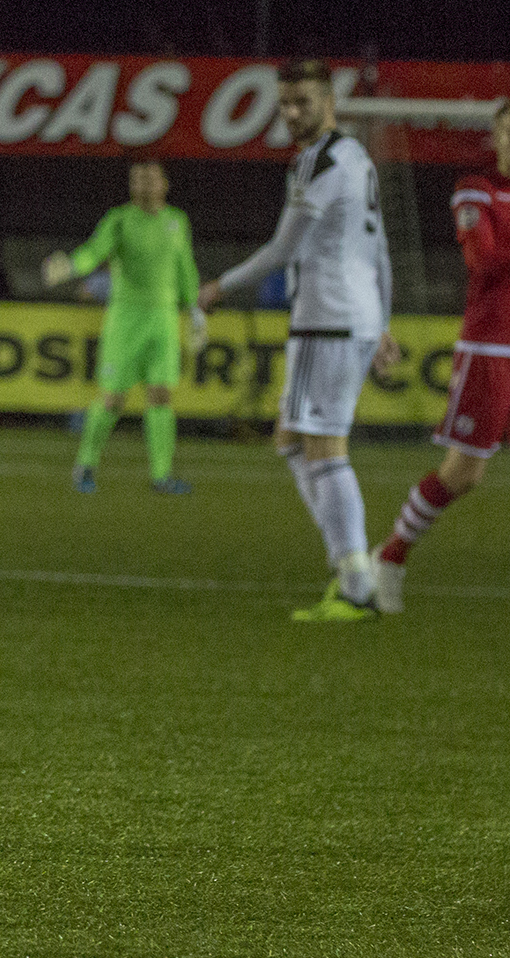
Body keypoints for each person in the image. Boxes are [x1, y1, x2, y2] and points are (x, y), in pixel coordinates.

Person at [198, 60, 400, 622]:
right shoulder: (357, 156)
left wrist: (219, 286)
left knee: (324, 449)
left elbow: (281, 250)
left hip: (327, 319)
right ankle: (351, 565)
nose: (291, 114)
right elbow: (379, 248)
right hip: (349, 316)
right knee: (290, 440)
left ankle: (357, 579)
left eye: (302, 102)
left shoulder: (320, 162)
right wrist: (382, 320)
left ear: (328, 100)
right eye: (284, 103)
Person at [371, 101, 510, 611]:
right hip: (491, 350)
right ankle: (391, 555)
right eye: (509, 133)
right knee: (463, 474)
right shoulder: (477, 190)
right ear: (496, 140)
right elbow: (485, 260)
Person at [42, 159, 204, 494]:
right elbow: (94, 252)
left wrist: (195, 307)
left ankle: (162, 475)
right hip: (126, 320)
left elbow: (184, 265)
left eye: (151, 179)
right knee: (113, 398)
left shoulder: (177, 221)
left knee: (161, 395)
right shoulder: (119, 220)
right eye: (138, 180)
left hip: (163, 319)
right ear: (132, 186)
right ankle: (85, 465)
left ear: (164, 184)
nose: (145, 186)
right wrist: (71, 266)